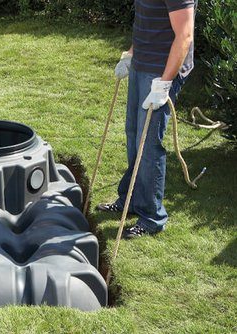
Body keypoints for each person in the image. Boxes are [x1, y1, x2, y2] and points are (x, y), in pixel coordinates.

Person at [97, 0, 197, 239]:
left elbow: (184, 35)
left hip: (161, 72)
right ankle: (131, 199)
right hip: (142, 64)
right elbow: (148, 23)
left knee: (148, 144)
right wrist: (130, 54)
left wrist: (164, 83)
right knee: (133, 135)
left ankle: (152, 217)